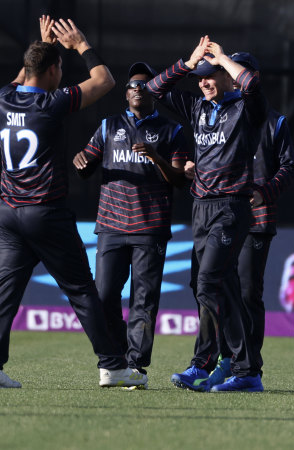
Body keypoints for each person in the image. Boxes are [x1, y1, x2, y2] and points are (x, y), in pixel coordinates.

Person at [0, 15, 147, 390]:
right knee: (82, 289)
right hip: (44, 213)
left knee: (5, 290)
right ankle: (113, 367)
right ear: (51, 70)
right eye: (59, 69)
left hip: (8, 213)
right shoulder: (51, 104)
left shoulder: (3, 99)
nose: (62, 77)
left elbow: (24, 76)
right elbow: (105, 81)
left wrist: (44, 47)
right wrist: (81, 43)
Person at [145, 36, 267, 392]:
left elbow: (252, 84)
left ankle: (235, 367)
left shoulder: (247, 109)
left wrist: (224, 60)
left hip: (231, 207)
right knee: (209, 287)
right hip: (200, 208)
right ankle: (230, 365)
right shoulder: (198, 107)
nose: (203, 81)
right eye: (200, 77)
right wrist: (189, 62)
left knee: (209, 281)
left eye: (210, 75)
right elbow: (154, 88)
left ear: (229, 75)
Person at [187, 52, 294, 388]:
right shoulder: (218, 113)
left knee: (247, 293)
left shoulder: (271, 120)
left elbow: (289, 167)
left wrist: (265, 192)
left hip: (255, 219)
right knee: (212, 287)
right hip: (219, 212)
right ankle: (217, 362)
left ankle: (249, 368)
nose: (234, 77)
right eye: (228, 71)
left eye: (240, 72)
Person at [73, 62, 189, 376]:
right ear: (125, 94)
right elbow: (85, 164)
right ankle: (118, 353)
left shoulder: (172, 130)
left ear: (154, 92)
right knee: (104, 295)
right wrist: (79, 159)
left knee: (144, 299)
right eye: (133, 85)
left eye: (144, 84)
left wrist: (157, 157)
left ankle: (136, 365)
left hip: (150, 229)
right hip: (111, 225)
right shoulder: (108, 126)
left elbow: (180, 179)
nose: (138, 89)